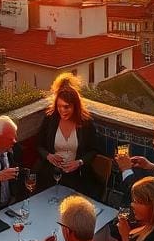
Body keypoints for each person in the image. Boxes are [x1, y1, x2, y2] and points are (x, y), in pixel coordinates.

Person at [36, 73, 104, 201]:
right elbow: (39, 145)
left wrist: (79, 162)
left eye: (66, 107)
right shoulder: (50, 120)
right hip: (51, 173)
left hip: (77, 176)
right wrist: (48, 156)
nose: (62, 111)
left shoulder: (85, 123)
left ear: (75, 106)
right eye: (59, 106)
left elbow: (94, 150)